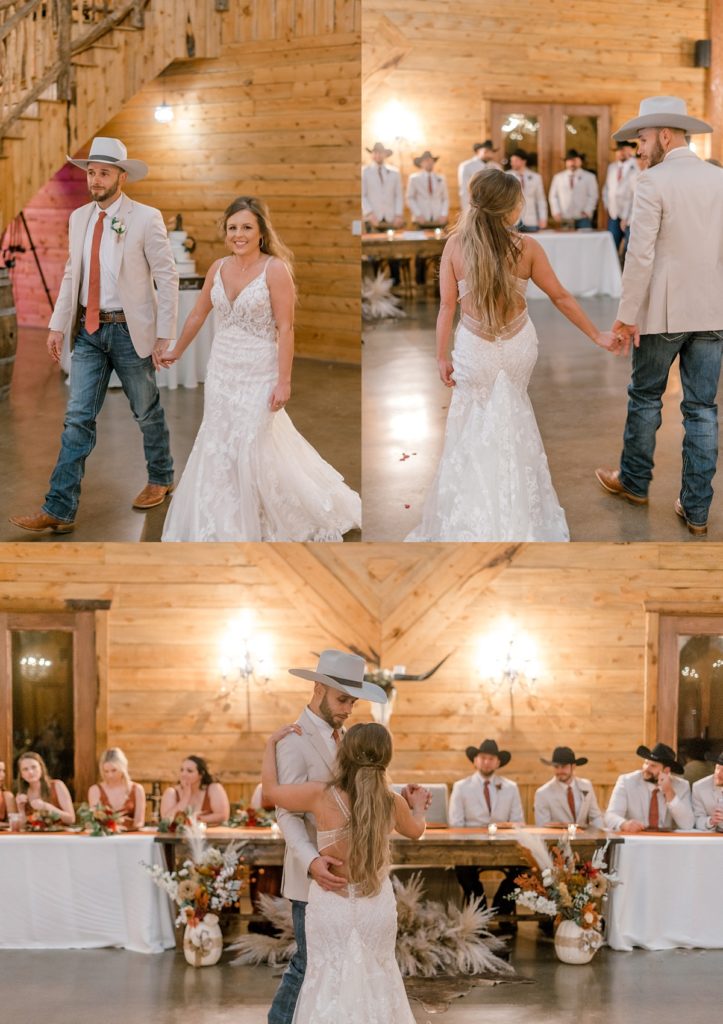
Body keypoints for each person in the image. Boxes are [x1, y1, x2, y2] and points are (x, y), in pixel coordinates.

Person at [405, 169, 620, 542]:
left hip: (475, 347)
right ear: (510, 208)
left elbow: (445, 308)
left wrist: (440, 356)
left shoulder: (455, 245)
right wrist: (596, 335)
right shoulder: (528, 248)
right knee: (514, 414)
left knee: (474, 422)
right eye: (519, 199)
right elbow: (562, 297)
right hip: (518, 344)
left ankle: (475, 508)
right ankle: (518, 503)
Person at [160, 196, 360, 541]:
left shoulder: (275, 270)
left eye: (247, 227)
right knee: (220, 441)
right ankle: (226, 512)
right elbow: (198, 314)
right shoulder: (218, 268)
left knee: (254, 443)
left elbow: (286, 328)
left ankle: (269, 511)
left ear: (261, 233)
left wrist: (284, 381)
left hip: (259, 370)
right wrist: (176, 349)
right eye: (233, 227)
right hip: (222, 369)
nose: (239, 234)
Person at [9, 137, 178, 535]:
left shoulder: (145, 217)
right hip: (88, 331)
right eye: (91, 172)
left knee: (146, 409)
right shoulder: (79, 217)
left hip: (128, 329)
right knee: (77, 420)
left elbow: (167, 278)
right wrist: (56, 323)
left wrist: (164, 336)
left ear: (121, 175)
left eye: (104, 172)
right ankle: (59, 509)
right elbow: (72, 273)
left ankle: (162, 476)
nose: (95, 179)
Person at [265, 649, 427, 1024]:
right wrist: (312, 861)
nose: (349, 709)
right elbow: (285, 812)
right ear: (318, 688)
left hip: (348, 876)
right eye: (342, 700)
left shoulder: (345, 738)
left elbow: (361, 792)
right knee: (310, 966)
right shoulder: (294, 739)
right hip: (319, 873)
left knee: (323, 967)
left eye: (353, 701)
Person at [595, 96, 723, 536]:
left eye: (643, 139)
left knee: (646, 396)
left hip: (663, 315)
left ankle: (633, 482)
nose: (638, 149)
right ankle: (697, 511)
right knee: (703, 409)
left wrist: (625, 316)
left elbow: (640, 255)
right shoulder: (719, 179)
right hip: (713, 312)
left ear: (666, 134)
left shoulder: (652, 182)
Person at [449, 738, 523, 925]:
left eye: (491, 758)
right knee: (463, 869)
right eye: (482, 757)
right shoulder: (461, 787)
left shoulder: (511, 788)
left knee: (525, 869)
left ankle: (501, 910)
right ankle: (479, 915)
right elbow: (456, 824)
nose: (486, 761)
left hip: (506, 848)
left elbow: (518, 822)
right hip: (470, 847)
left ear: (498, 762)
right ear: (475, 760)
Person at [604, 742, 694, 832]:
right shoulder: (627, 781)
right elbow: (610, 816)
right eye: (646, 763)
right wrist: (624, 824)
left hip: (667, 842)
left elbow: (687, 824)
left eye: (653, 766)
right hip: (635, 840)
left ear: (666, 771)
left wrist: (669, 792)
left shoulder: (681, 786)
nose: (646, 768)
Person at [533, 746, 604, 828]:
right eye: (556, 767)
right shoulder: (542, 793)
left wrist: (599, 836)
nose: (559, 771)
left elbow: (596, 817)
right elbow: (542, 826)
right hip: (556, 840)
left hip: (585, 839)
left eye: (563, 766)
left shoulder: (586, 786)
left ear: (573, 766)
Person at [160, 755, 230, 825]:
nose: (183, 774)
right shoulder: (171, 792)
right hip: (179, 835)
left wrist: (193, 819)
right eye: (182, 770)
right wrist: (185, 798)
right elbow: (166, 820)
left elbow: (223, 816)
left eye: (189, 771)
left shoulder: (214, 788)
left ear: (201, 774)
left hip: (209, 834)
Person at [87, 747, 146, 829]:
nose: (110, 775)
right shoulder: (95, 790)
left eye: (114, 770)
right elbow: (93, 821)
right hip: (105, 838)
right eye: (106, 771)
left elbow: (139, 822)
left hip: (130, 837)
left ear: (123, 768)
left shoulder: (137, 789)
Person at [15, 751, 75, 825]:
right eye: (25, 769)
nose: (30, 772)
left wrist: (46, 806)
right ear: (21, 775)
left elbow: (71, 819)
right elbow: (22, 826)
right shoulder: (21, 794)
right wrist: (20, 809)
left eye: (34, 767)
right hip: (33, 836)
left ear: (41, 768)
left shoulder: (57, 785)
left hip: (59, 835)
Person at [548, 149, 599, 228]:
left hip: (583, 217)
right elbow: (553, 196)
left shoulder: (590, 177)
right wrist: (556, 211)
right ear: (566, 162)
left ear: (580, 161)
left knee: (585, 240)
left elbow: (593, 196)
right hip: (564, 217)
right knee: (565, 240)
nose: (572, 163)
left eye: (575, 160)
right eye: (569, 160)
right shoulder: (558, 177)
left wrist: (587, 211)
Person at [603, 141, 639, 251]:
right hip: (613, 215)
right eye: (619, 150)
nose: (621, 152)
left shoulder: (637, 166)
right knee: (612, 248)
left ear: (630, 150)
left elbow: (636, 196)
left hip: (629, 216)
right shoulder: (612, 167)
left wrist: (627, 218)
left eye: (624, 149)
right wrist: (607, 205)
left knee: (630, 249)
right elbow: (606, 188)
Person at [361, 142, 404, 230]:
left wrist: (398, 214)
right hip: (372, 218)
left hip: (391, 218)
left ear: (385, 154)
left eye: (380, 152)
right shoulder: (365, 172)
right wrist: (369, 213)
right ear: (372, 154)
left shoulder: (394, 172)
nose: (378, 155)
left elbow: (398, 196)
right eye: (375, 152)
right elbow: (362, 195)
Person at [506, 149, 547, 232]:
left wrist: (543, 218)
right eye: (511, 161)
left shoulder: (536, 177)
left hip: (530, 220)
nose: (512, 163)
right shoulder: (506, 176)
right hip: (511, 220)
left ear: (523, 161)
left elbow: (540, 200)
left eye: (516, 160)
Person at [406, 150, 449, 227]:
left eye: (431, 160)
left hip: (438, 218)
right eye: (426, 160)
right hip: (421, 219)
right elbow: (410, 198)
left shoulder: (441, 179)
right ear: (421, 163)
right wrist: (418, 214)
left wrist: (444, 214)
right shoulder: (414, 179)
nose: (429, 162)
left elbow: (445, 198)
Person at [458, 141, 502, 211]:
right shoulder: (466, 166)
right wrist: (466, 210)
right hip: (474, 207)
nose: (489, 153)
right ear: (478, 151)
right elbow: (464, 190)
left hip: (493, 207)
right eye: (486, 150)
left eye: (491, 151)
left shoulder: (496, 167)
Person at [692, 752, 723, 832]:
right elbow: (696, 820)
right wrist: (711, 821)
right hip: (711, 839)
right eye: (718, 768)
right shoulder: (699, 787)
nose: (718, 774)